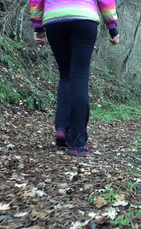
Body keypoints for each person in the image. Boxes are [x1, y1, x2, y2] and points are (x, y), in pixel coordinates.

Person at [29, 0, 120, 157]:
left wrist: (38, 26)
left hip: (55, 19)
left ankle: (62, 127)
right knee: (79, 76)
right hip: (84, 18)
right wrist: (112, 28)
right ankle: (77, 142)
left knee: (65, 74)